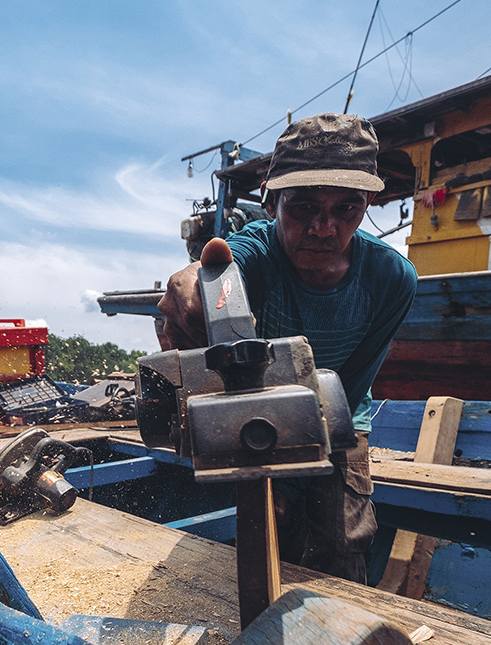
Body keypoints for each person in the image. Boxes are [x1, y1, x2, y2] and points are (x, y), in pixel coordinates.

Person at [157, 113, 417, 583]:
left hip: (339, 418)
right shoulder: (256, 254)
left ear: (369, 202)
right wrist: (197, 285)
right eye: (302, 207)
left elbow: (349, 389)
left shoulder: (392, 279)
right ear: (270, 199)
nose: (323, 228)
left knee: (342, 547)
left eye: (347, 209)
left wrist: (301, 469)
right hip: (255, 416)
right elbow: (218, 273)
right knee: (261, 542)